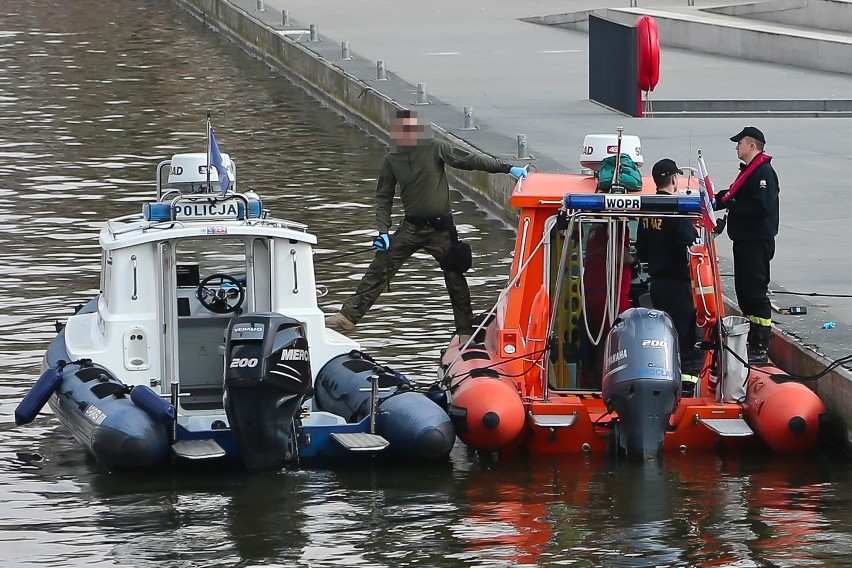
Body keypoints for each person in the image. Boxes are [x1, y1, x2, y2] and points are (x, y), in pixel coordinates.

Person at [325, 109, 528, 343]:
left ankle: (464, 331)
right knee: (380, 266)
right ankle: (349, 315)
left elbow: (469, 160)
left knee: (455, 276)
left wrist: (505, 168)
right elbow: (384, 197)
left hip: (441, 229)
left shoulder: (435, 148)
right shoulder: (392, 160)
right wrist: (382, 231)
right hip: (411, 228)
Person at [714, 126, 780, 363]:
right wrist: (717, 200)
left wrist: (731, 206)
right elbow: (735, 194)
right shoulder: (749, 172)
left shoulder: (763, 173)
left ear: (752, 146)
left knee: (755, 292)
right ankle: (751, 339)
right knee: (744, 291)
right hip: (743, 241)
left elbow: (761, 207)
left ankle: (760, 345)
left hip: (756, 242)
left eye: (739, 143)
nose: (736, 147)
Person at [636, 158, 702, 391]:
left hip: (657, 284)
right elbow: (689, 245)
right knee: (688, 336)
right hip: (678, 284)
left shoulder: (647, 210)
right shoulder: (678, 209)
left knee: (666, 333)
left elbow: (641, 250)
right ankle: (687, 387)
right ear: (674, 179)